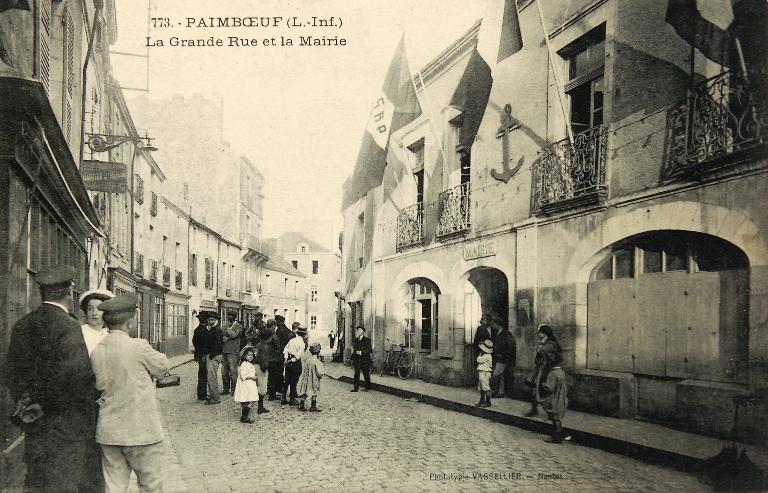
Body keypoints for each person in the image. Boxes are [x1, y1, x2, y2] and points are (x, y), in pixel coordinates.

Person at [5, 265, 100, 493]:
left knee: (38, 481)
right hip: (67, 428)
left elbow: (11, 373)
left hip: (34, 426)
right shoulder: (69, 327)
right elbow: (77, 378)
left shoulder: (23, 324)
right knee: (64, 483)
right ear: (70, 292)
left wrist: (27, 402)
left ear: (42, 293)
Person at [90, 293, 170, 492]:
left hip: (110, 432)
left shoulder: (97, 350)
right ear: (130, 323)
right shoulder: (138, 346)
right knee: (151, 486)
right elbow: (162, 366)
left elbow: (98, 386)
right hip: (142, 431)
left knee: (114, 487)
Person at [525, 324, 562, 417]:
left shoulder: (550, 344)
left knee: (542, 391)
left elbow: (548, 356)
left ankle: (550, 412)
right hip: (539, 369)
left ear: (545, 333)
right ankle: (534, 409)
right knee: (532, 389)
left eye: (540, 332)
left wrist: (541, 347)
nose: (538, 334)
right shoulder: (543, 343)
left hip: (546, 370)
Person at [537, 349, 568, 443]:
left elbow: (549, 387)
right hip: (561, 398)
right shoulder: (561, 372)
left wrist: (542, 384)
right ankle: (558, 435)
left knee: (555, 419)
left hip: (555, 399)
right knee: (557, 418)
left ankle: (556, 437)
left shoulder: (553, 373)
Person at [79, 289, 115, 356]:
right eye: (90, 309)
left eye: (99, 309)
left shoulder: (108, 334)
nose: (94, 313)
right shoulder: (80, 332)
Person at [253, 327, 277, 414]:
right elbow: (264, 360)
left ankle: (260, 406)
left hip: (256, 366)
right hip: (261, 368)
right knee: (262, 389)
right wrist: (266, 368)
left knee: (258, 387)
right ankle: (260, 407)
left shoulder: (259, 344)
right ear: (268, 337)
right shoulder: (265, 347)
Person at [233, 346, 260, 424]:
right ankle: (244, 416)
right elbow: (243, 376)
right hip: (246, 385)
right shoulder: (244, 364)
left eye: (252, 355)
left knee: (251, 399)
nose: (251, 356)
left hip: (250, 385)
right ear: (245, 356)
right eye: (249, 355)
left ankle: (244, 415)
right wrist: (253, 377)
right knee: (250, 399)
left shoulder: (249, 364)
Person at [490, 319, 516, 398]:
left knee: (495, 375)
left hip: (503, 358)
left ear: (498, 324)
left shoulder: (506, 333)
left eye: (494, 324)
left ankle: (496, 391)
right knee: (501, 376)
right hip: (498, 357)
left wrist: (503, 354)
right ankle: (500, 393)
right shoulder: (497, 333)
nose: (493, 326)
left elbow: (511, 346)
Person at [283, 325, 308, 405]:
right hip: (295, 363)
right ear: (304, 335)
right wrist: (291, 360)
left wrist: (286, 359)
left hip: (288, 361)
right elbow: (298, 355)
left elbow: (285, 350)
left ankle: (283, 398)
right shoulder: (302, 343)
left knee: (287, 380)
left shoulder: (292, 340)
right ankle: (292, 399)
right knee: (294, 381)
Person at [297, 343, 324, 412]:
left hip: (307, 379)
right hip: (314, 379)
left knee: (306, 391)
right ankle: (313, 406)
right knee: (314, 392)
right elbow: (320, 373)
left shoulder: (308, 360)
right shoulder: (317, 361)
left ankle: (301, 404)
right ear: (318, 352)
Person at [204, 312, 224, 405]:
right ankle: (213, 396)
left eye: (212, 320)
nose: (210, 321)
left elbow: (217, 345)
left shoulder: (217, 330)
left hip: (214, 356)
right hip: (213, 355)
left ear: (216, 320)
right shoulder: (213, 329)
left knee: (212, 377)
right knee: (211, 377)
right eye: (209, 320)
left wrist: (211, 356)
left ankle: (215, 398)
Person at [192, 311, 212, 401]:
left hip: (199, 354)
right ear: (205, 320)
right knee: (203, 374)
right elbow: (205, 344)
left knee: (201, 374)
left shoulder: (197, 329)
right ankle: (202, 394)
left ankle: (201, 393)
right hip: (203, 355)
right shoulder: (204, 330)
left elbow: (194, 343)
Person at [221, 312, 243, 395]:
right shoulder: (225, 325)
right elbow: (222, 335)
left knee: (233, 371)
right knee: (224, 371)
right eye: (228, 316)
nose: (229, 318)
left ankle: (234, 389)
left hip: (233, 351)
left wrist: (228, 330)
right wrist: (225, 337)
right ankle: (225, 389)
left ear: (234, 317)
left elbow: (234, 335)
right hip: (224, 351)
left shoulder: (238, 326)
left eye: (231, 316)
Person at [266, 319, 287, 401]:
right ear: (274, 326)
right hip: (274, 359)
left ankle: (271, 393)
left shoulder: (265, 334)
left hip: (268, 358)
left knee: (270, 377)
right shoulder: (274, 335)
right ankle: (272, 395)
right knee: (273, 377)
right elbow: (278, 347)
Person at [350, 325, 372, 392]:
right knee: (356, 374)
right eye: (358, 331)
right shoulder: (355, 340)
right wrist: (352, 357)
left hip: (365, 360)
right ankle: (355, 388)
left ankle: (367, 387)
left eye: (360, 330)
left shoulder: (367, 340)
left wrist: (361, 352)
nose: (359, 332)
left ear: (363, 332)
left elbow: (369, 350)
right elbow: (354, 349)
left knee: (366, 374)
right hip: (357, 360)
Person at [476, 339, 494, 408]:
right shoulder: (485, 355)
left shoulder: (487, 356)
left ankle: (488, 402)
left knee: (486, 387)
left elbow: (478, 360)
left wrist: (480, 355)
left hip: (485, 372)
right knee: (481, 387)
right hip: (482, 372)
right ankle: (482, 400)